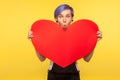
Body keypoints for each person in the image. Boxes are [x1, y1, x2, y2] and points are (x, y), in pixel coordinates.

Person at [28, 4, 102, 80]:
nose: (64, 20)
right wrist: (35, 40)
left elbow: (87, 59)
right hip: (53, 75)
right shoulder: (50, 34)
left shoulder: (78, 34)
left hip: (73, 75)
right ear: (56, 18)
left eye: (67, 16)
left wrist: (94, 40)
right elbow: (42, 59)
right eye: (60, 16)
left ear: (72, 18)